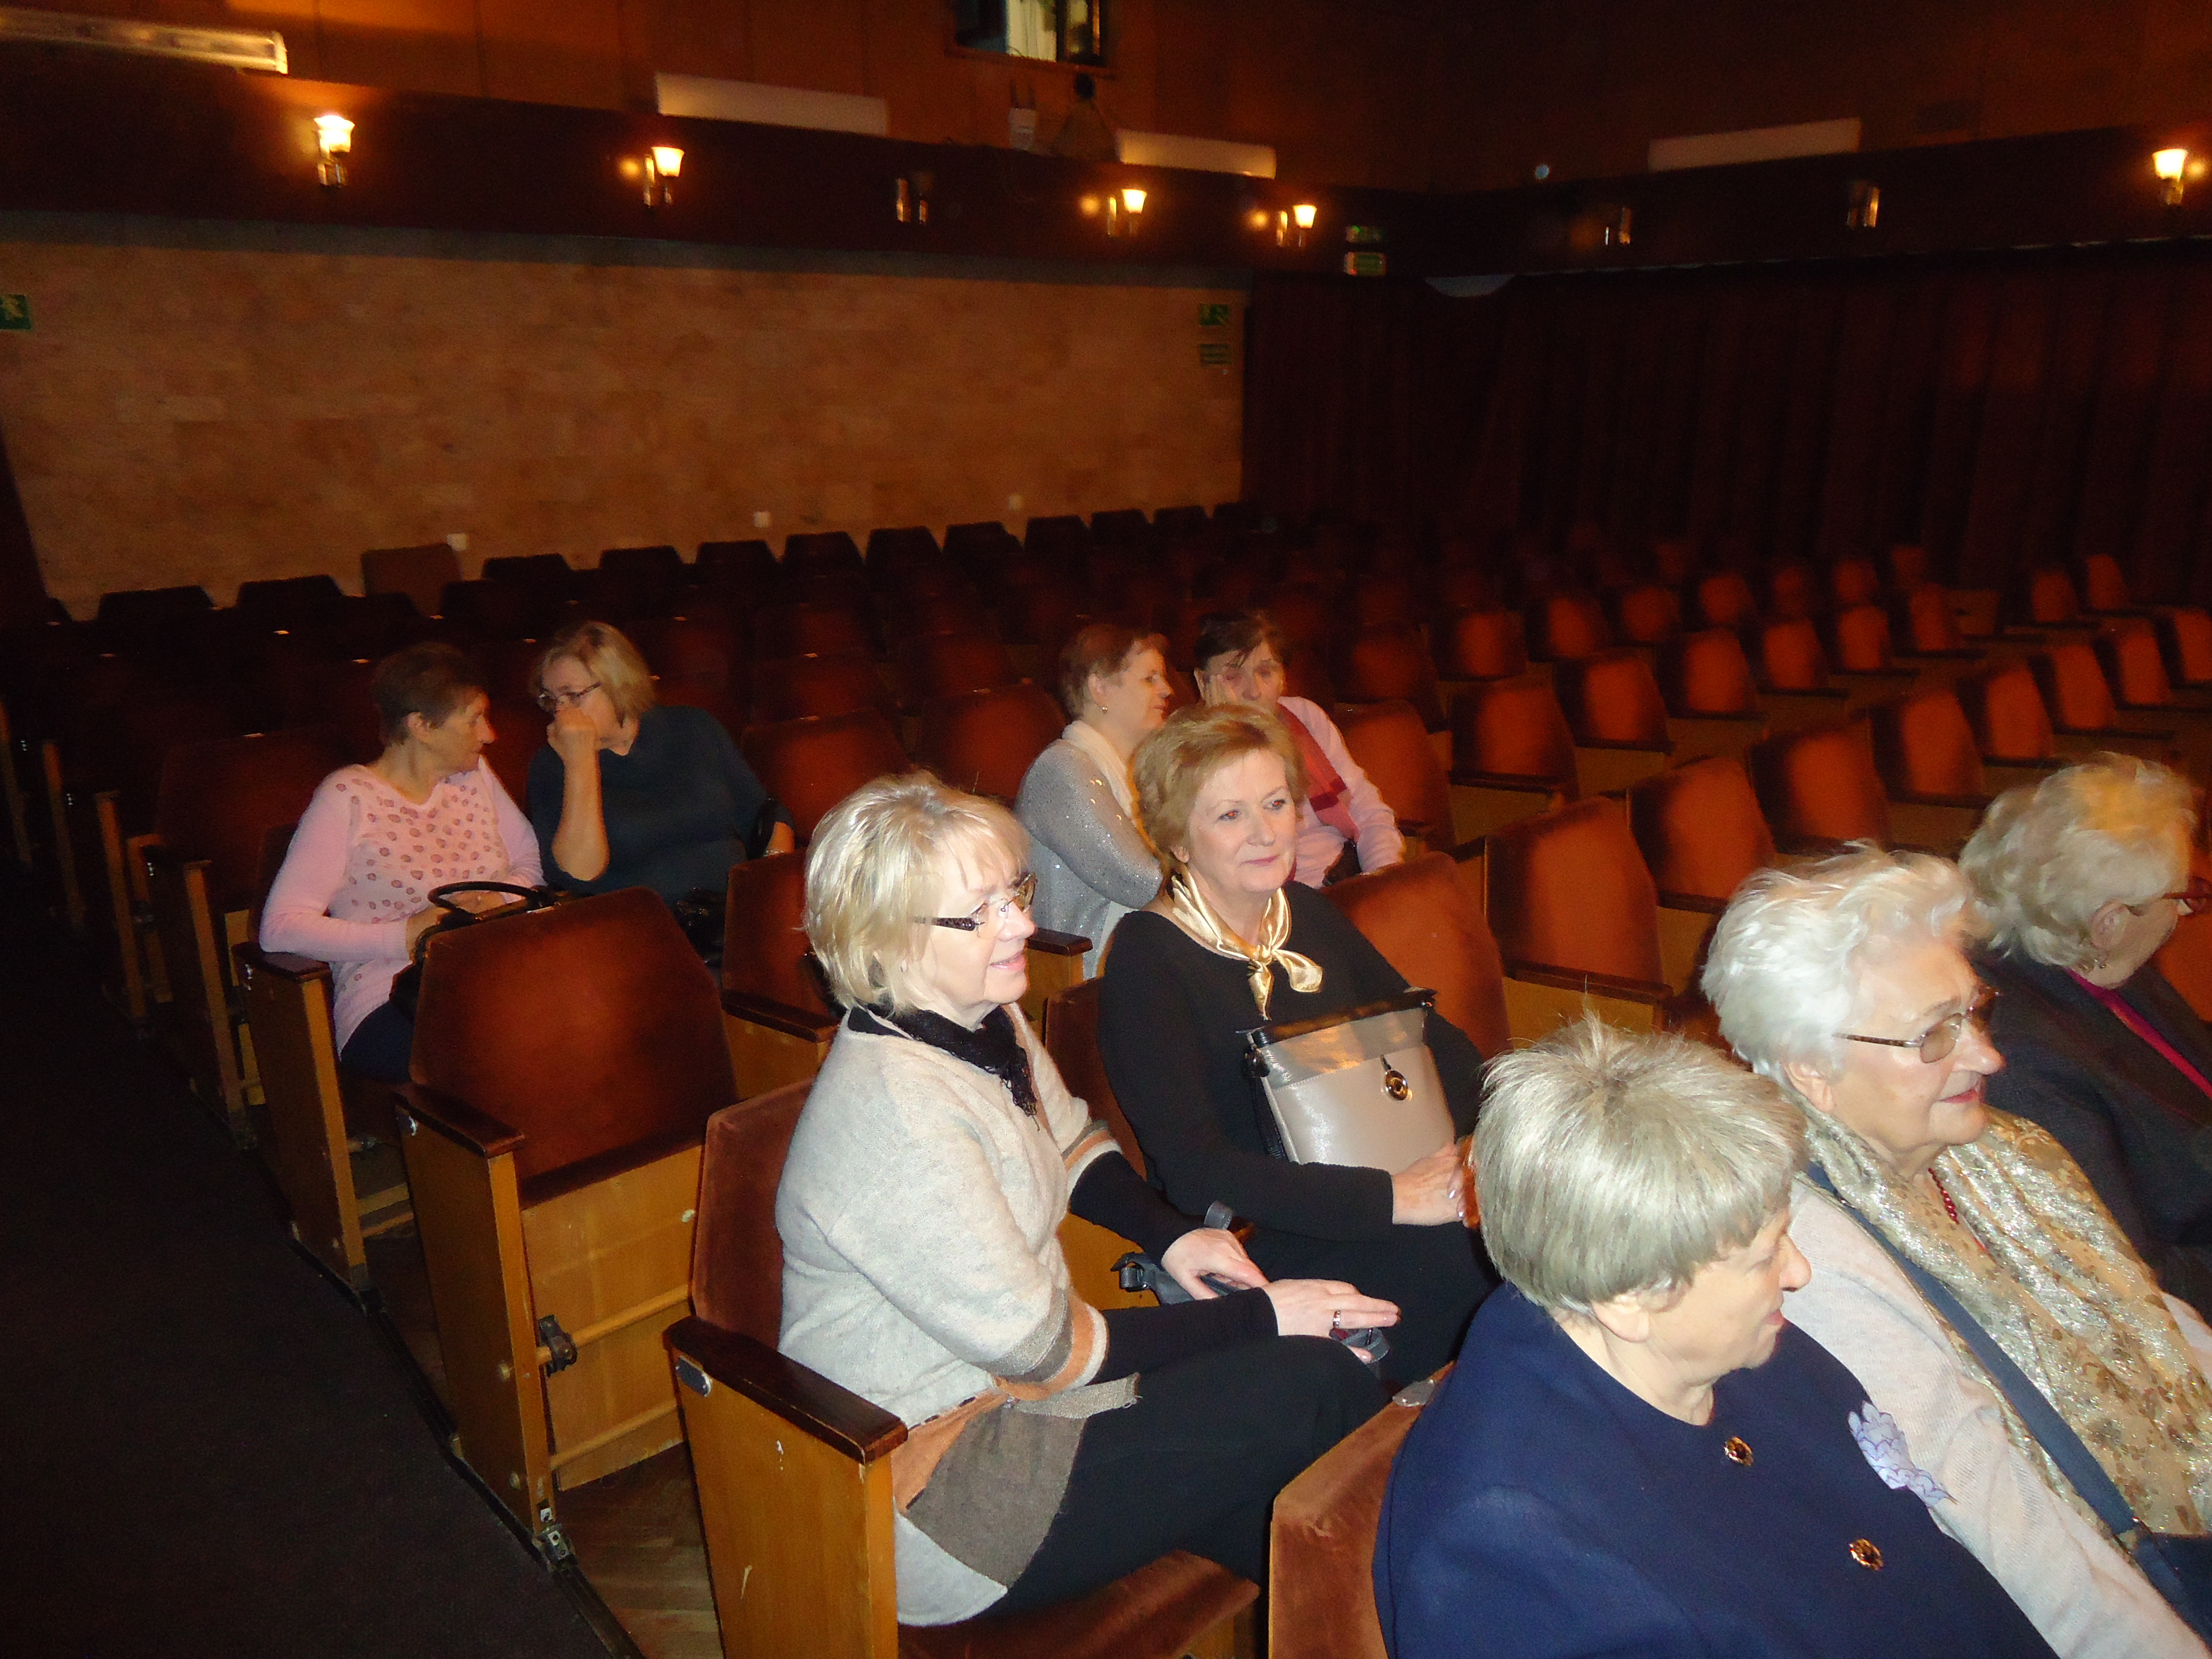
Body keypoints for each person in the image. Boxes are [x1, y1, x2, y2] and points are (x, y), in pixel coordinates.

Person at [776, 771, 1390, 1625]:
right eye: (979, 913)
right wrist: (1263, 1316)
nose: (1022, 925)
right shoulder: (896, 1113)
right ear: (887, 944)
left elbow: (1070, 1142)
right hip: (941, 1487)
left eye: (1014, 893)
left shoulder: (975, 1017)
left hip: (1027, 1402)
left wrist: (1170, 1236)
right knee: (1311, 1385)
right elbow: (1044, 1348)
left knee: (1303, 1495)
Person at [1376, 1017, 2060, 1659]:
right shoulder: (1514, 1555)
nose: (1799, 1272)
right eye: (1764, 1257)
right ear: (1629, 1297)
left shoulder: (1723, 1344)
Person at [1703, 844, 2212, 1658]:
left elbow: (2153, 1319)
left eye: (1975, 1011)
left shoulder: (2002, 1148)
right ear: (1812, 1070)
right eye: (1934, 1034)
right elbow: (2005, 1528)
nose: (1988, 1055)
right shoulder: (1805, 1254)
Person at [1099, 703, 1488, 1382]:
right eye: (1230, 815)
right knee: (1478, 1270)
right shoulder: (1147, 957)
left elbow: (1425, 1035)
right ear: (1178, 839)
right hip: (1264, 1235)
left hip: (1379, 1180)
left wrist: (1498, 1139)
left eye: (1276, 804)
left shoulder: (1305, 912)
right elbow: (1192, 1168)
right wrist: (1391, 1199)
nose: (1265, 832)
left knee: (1540, 1223)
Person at [1962, 756, 2212, 1318]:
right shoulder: (2027, 1064)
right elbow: (2133, 1275)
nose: (2183, 912)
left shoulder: (2100, 965)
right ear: (2109, 922)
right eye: (2179, 895)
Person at [260, 643, 543, 1082]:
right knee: (513, 1044)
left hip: (494, 971)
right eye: (474, 719)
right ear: (421, 726)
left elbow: (529, 862)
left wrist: (498, 901)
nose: (489, 735)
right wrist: (406, 935)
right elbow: (279, 928)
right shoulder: (347, 797)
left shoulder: (475, 776)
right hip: (394, 993)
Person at [525, 620, 791, 914]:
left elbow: (767, 815)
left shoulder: (692, 728)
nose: (561, 712)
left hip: (733, 912)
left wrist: (769, 891)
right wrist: (581, 762)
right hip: (642, 927)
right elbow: (580, 873)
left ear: (617, 683)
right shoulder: (551, 766)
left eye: (573, 696)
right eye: (551, 700)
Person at [1194, 609, 1402, 886]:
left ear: (1283, 678)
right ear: (1203, 682)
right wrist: (1226, 735)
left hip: (1349, 875)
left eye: (1266, 672)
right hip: (1279, 897)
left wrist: (1383, 879)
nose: (1254, 691)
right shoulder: (1189, 749)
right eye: (1233, 676)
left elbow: (1367, 810)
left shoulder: (1305, 717)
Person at [1015, 623, 1173, 970]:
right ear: (1100, 689)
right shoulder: (1061, 770)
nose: (1168, 690)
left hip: (1138, 954)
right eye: (1150, 679)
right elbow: (1144, 883)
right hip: (1083, 973)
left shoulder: (1143, 771)